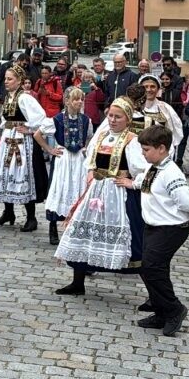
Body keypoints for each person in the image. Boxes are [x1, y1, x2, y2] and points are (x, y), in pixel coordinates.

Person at [53, 98, 149, 296]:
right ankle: (77, 282)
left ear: (128, 119)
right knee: (82, 231)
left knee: (133, 239)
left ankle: (153, 293)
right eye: (110, 115)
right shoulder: (102, 135)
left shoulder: (132, 140)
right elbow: (90, 159)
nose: (112, 120)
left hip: (118, 194)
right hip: (96, 191)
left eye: (118, 117)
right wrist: (90, 171)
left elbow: (144, 168)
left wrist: (132, 182)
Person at [115, 126, 189, 337]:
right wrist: (131, 184)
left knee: (153, 268)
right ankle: (160, 311)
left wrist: (186, 213)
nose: (143, 154)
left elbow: (186, 201)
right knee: (149, 268)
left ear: (162, 148)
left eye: (146, 150)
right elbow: (145, 183)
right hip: (153, 226)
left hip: (171, 228)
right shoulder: (153, 167)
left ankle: (174, 309)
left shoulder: (171, 173)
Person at [0, 65, 56, 233]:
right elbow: (5, 120)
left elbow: (41, 117)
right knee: (6, 173)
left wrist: (29, 129)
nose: (6, 82)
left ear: (19, 81)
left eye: (10, 79)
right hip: (8, 140)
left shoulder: (25, 98)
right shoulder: (9, 97)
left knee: (23, 175)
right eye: (5, 79)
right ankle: (8, 212)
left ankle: (31, 217)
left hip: (22, 143)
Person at [44, 88, 92, 245]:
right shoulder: (57, 119)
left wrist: (86, 148)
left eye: (81, 99)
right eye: (76, 99)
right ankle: (53, 226)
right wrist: (50, 149)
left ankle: (74, 227)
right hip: (63, 159)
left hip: (78, 160)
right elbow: (38, 134)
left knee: (77, 188)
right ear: (67, 101)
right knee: (59, 189)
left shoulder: (86, 120)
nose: (79, 102)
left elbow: (90, 138)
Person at [137, 75, 183, 156]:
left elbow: (174, 132)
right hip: (137, 152)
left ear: (158, 89)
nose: (149, 90)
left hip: (159, 153)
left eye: (152, 86)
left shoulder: (166, 108)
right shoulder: (133, 108)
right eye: (145, 87)